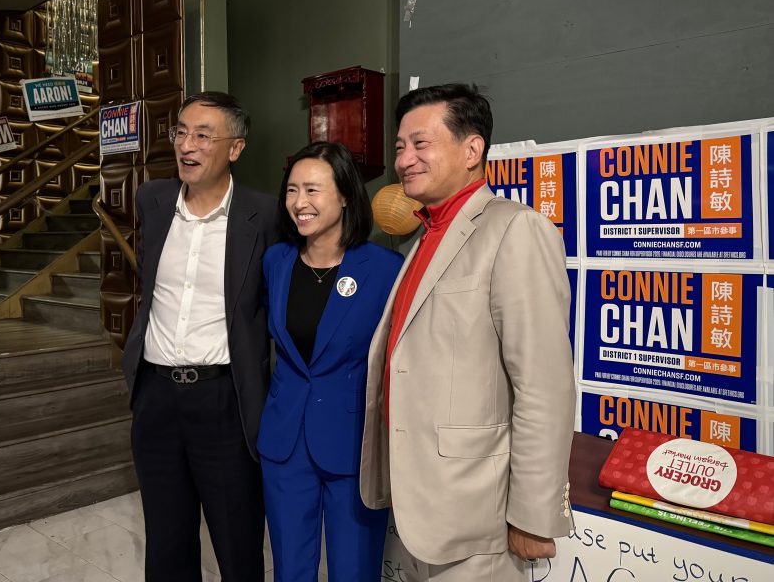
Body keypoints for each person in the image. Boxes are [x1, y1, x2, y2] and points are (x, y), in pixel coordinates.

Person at [359, 83, 575, 581]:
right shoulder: (423, 236)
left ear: (472, 149)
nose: (405, 160)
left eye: (420, 144)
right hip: (421, 504)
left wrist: (532, 514)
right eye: (399, 148)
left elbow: (544, 386)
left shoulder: (514, 230)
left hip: (479, 514)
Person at [121, 91, 278, 582]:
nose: (187, 145)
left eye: (203, 135)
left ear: (235, 148)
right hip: (156, 396)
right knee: (166, 543)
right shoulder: (154, 199)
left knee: (237, 542)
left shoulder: (265, 216)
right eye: (181, 132)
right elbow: (148, 284)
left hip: (224, 399)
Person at [256, 141, 403, 581]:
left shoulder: (383, 268)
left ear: (344, 196)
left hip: (353, 442)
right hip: (285, 442)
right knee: (290, 567)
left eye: (313, 190)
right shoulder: (276, 261)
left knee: (354, 570)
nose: (300, 203)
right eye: (292, 190)